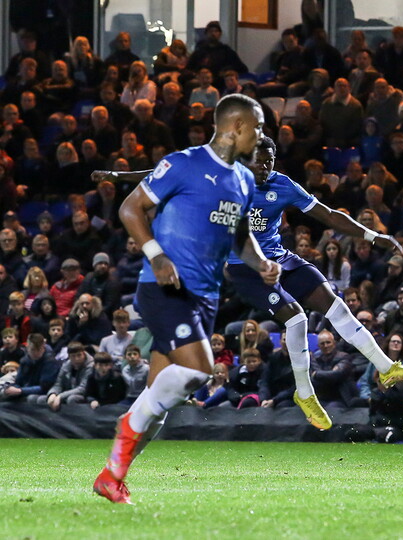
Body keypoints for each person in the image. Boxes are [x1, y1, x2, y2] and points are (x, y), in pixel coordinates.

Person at [98, 136, 403, 433]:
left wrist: (372, 235)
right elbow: (163, 174)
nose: (265, 166)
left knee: (335, 304)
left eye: (269, 160)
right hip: (245, 269)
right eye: (259, 160)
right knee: (297, 319)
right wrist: (117, 178)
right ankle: (305, 393)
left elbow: (327, 215)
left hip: (281, 258)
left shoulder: (282, 185)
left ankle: (387, 368)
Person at [91, 94, 282, 504]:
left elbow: (239, 238)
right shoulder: (184, 163)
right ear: (236, 127)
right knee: (199, 372)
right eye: (259, 126)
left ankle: (112, 475)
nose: (263, 135)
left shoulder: (245, 180)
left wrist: (262, 262)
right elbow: (130, 208)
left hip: (205, 297)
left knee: (159, 400)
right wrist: (156, 255)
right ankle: (126, 425)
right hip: (166, 288)